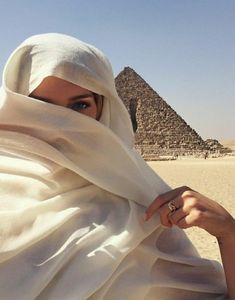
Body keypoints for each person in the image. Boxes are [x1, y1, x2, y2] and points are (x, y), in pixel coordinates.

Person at [0, 33, 234, 300]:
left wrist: (228, 234)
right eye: (40, 106)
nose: (62, 123)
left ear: (102, 109)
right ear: (16, 104)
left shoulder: (144, 204)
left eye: (79, 105)